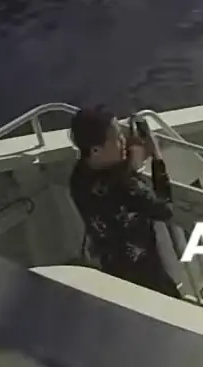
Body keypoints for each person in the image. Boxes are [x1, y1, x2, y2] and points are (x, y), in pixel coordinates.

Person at [66, 105, 181, 298]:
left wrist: (129, 167)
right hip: (147, 276)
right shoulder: (127, 186)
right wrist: (157, 158)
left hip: (114, 274)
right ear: (95, 150)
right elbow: (165, 208)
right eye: (117, 139)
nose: (123, 142)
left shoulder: (78, 178)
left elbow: (108, 184)